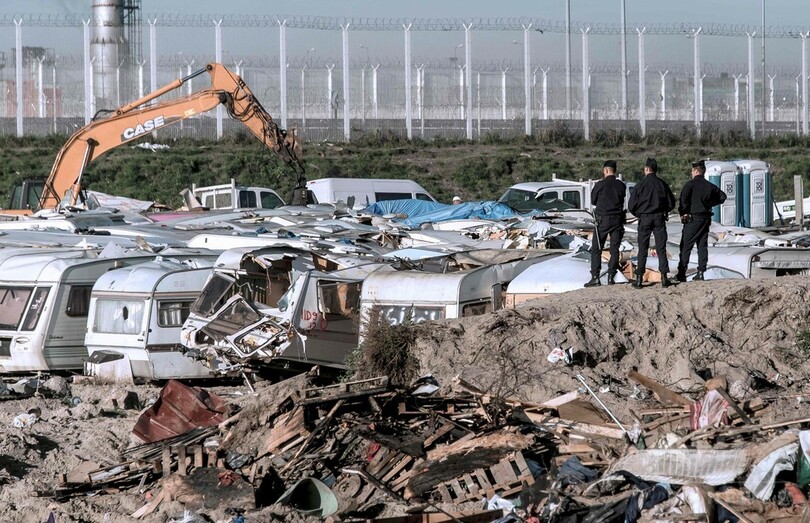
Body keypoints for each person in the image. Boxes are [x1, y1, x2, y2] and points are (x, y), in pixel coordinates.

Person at [628, 157, 676, 289]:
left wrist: (640, 214)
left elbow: (631, 205)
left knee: (642, 248)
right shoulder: (662, 184)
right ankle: (664, 277)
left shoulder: (640, 185)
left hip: (644, 218)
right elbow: (671, 203)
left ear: (647, 169)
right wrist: (664, 211)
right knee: (661, 248)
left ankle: (639, 278)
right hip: (659, 218)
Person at [676, 160, 727, 282]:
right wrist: (710, 203)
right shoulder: (709, 186)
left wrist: (683, 213)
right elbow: (722, 196)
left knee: (685, 246)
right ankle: (701, 272)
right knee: (702, 246)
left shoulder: (690, 185)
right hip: (705, 219)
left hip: (693, 219)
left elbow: (683, 202)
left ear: (695, 171)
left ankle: (682, 272)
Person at [584, 160, 627, 287]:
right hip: (617, 220)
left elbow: (593, 201)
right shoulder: (621, 185)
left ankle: (595, 277)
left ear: (606, 170)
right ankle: (611, 276)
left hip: (603, 220)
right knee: (615, 249)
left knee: (597, 249)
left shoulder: (600, 185)